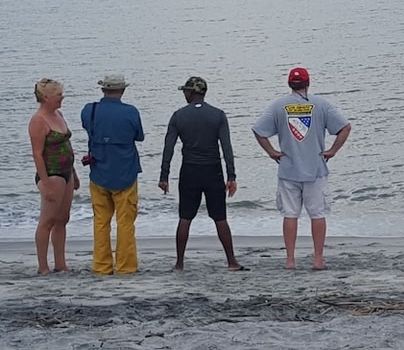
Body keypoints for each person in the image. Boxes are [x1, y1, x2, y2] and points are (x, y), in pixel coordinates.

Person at [252, 67, 351, 270]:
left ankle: (290, 260)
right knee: (317, 214)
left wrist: (272, 152)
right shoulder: (321, 104)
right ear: (308, 83)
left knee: (290, 214)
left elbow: (258, 130)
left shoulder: (278, 106)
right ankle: (318, 259)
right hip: (316, 169)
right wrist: (333, 150)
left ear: (289, 84)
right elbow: (345, 127)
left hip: (288, 169)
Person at [159, 77, 244, 271]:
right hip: (213, 170)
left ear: (191, 92)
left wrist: (164, 176)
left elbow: (168, 148)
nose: (184, 94)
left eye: (185, 91)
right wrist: (231, 176)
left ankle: (179, 264)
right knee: (220, 217)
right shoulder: (218, 115)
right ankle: (231, 262)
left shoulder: (178, 116)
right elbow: (227, 148)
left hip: (189, 170)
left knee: (185, 217)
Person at [80, 75, 144, 275]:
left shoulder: (89, 110)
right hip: (125, 172)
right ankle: (125, 266)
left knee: (101, 221)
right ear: (122, 91)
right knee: (125, 222)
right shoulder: (130, 112)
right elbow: (139, 136)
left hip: (99, 171)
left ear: (103, 90)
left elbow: (87, 128)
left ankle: (102, 265)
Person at [28, 78, 80, 275]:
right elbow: (37, 154)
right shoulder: (38, 120)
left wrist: (74, 173)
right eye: (58, 95)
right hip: (51, 174)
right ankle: (43, 266)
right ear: (46, 97)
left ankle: (60, 263)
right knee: (47, 220)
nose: (62, 98)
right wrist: (46, 182)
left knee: (62, 219)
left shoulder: (59, 114)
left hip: (67, 172)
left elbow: (67, 145)